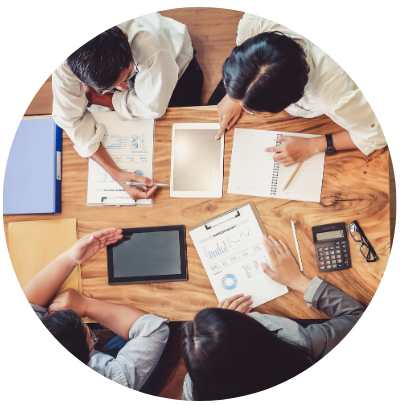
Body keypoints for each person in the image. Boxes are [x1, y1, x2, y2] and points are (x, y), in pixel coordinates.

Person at [181, 234, 365, 400]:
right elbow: (358, 320)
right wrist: (298, 281)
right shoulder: (302, 343)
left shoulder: (194, 389)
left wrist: (218, 336)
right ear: (258, 335)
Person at [53, 12, 203, 200]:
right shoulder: (64, 62)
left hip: (174, 64)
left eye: (126, 76)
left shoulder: (149, 41)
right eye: (112, 87)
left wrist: (102, 98)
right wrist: (117, 174)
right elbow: (70, 119)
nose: (123, 89)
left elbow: (153, 107)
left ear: (125, 37)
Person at [210, 13, 386, 166]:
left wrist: (313, 145)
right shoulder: (257, 20)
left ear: (291, 97)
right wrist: (236, 93)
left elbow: (377, 135)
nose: (241, 104)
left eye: (252, 108)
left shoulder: (335, 97)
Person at [23, 227, 169, 393]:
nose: (93, 336)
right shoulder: (112, 382)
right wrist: (86, 305)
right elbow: (154, 329)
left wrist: (70, 258)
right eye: (91, 338)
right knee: (154, 317)